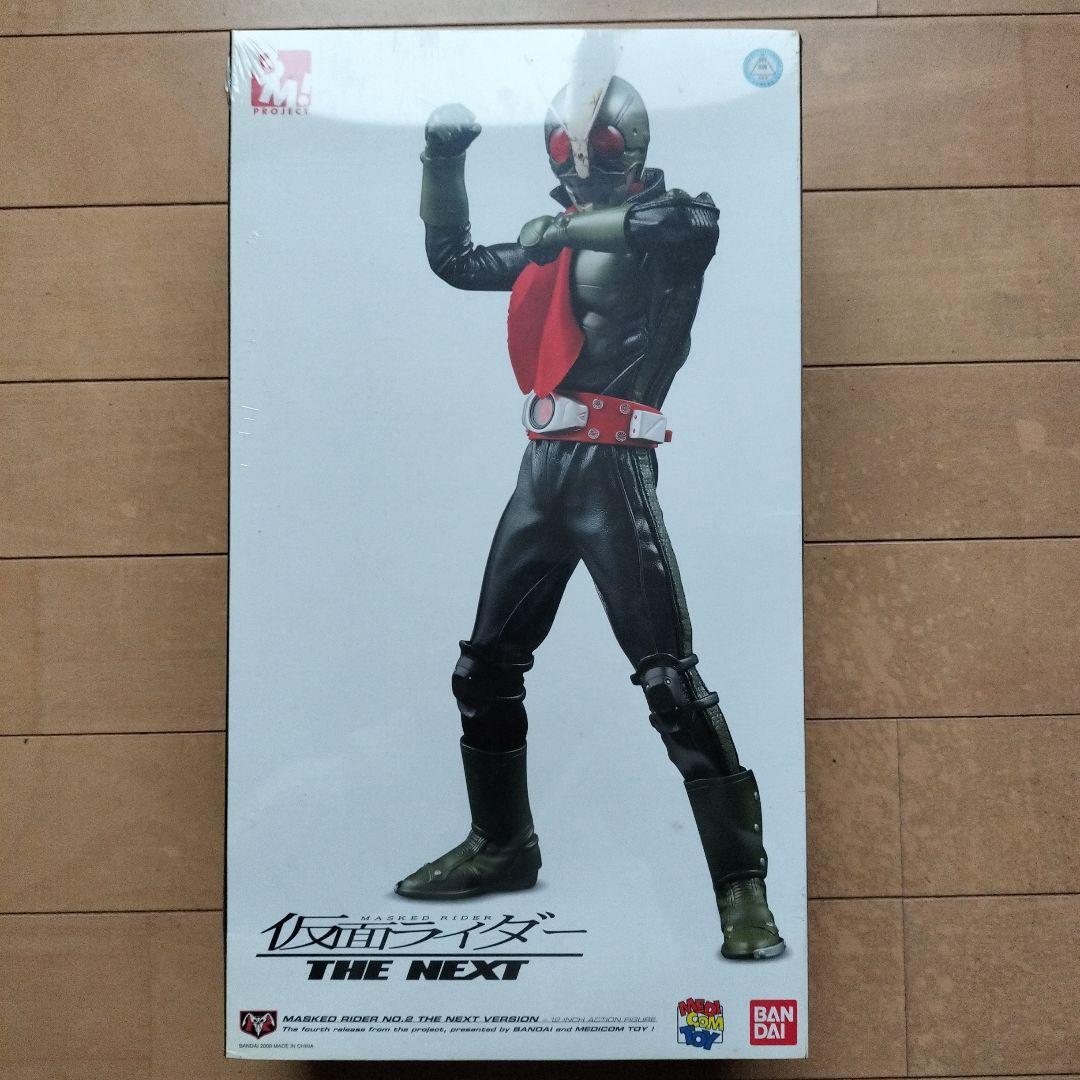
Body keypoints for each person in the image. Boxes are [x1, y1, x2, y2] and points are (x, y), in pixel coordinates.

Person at [395, 75, 784, 960]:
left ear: (630, 145)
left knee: (670, 684)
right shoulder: (557, 244)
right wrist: (442, 161)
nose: (577, 159)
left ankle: (743, 893)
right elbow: (454, 260)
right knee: (484, 668)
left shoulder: (671, 227)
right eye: (565, 146)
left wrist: (563, 231)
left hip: (613, 473)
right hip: (543, 471)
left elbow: (678, 223)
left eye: (596, 144)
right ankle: (502, 844)